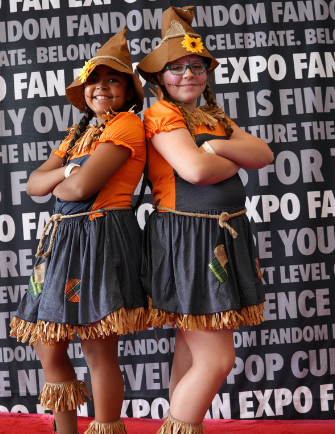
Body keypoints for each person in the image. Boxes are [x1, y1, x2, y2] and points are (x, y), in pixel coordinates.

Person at [136, 6, 274, 434]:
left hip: (219, 234)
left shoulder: (213, 117)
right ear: (161, 77)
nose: (187, 74)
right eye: (176, 68)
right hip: (188, 236)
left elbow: (264, 154)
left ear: (206, 72)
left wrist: (213, 150)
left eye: (195, 66)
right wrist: (224, 154)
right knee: (217, 358)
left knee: (191, 351)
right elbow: (193, 172)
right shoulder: (160, 114)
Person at [10, 28, 147, 434]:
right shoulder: (77, 133)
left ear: (127, 92)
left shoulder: (125, 126)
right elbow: (35, 185)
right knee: (47, 340)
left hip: (100, 238)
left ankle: (105, 429)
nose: (100, 88)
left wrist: (65, 176)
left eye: (112, 80)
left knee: (96, 347)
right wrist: (69, 169)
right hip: (62, 240)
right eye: (93, 80)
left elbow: (79, 189)